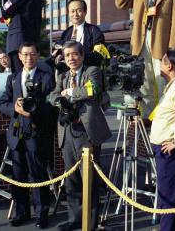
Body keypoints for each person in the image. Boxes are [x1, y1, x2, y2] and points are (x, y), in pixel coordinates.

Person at [49, 41, 111, 231]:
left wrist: (70, 92)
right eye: (67, 56)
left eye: (74, 55)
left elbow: (92, 90)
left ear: (82, 56)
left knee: (89, 180)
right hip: (68, 132)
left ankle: (90, 224)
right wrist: (59, 99)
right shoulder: (63, 75)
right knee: (72, 180)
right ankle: (75, 219)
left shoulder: (92, 71)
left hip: (87, 132)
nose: (71, 59)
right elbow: (52, 95)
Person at [115, 0, 175, 119]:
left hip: (162, 46)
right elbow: (121, 3)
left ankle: (165, 125)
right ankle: (147, 124)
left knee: (164, 87)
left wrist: (173, 53)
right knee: (144, 88)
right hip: (139, 44)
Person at [0, 42, 55, 229]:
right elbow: (2, 103)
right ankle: (21, 212)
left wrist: (34, 110)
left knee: (38, 176)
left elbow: (53, 106)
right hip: (17, 134)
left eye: (32, 54)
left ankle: (42, 214)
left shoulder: (47, 78)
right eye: (25, 54)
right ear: (20, 57)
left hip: (37, 134)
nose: (29, 58)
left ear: (38, 55)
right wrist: (15, 109)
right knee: (18, 176)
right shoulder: (13, 79)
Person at [149, 49, 175, 231]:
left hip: (170, 149)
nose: (159, 65)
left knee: (169, 195)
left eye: (162, 61)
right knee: (172, 193)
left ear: (170, 65)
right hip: (165, 148)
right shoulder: (173, 85)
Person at [2, 0, 44, 75]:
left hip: (19, 41)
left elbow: (6, 9)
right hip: (32, 38)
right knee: (29, 76)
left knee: (19, 78)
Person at [55, 0, 105, 67]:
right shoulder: (66, 33)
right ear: (68, 14)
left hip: (87, 71)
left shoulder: (94, 31)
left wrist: (78, 59)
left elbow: (99, 55)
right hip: (67, 73)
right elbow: (59, 52)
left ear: (85, 12)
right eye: (72, 11)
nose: (75, 14)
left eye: (79, 11)